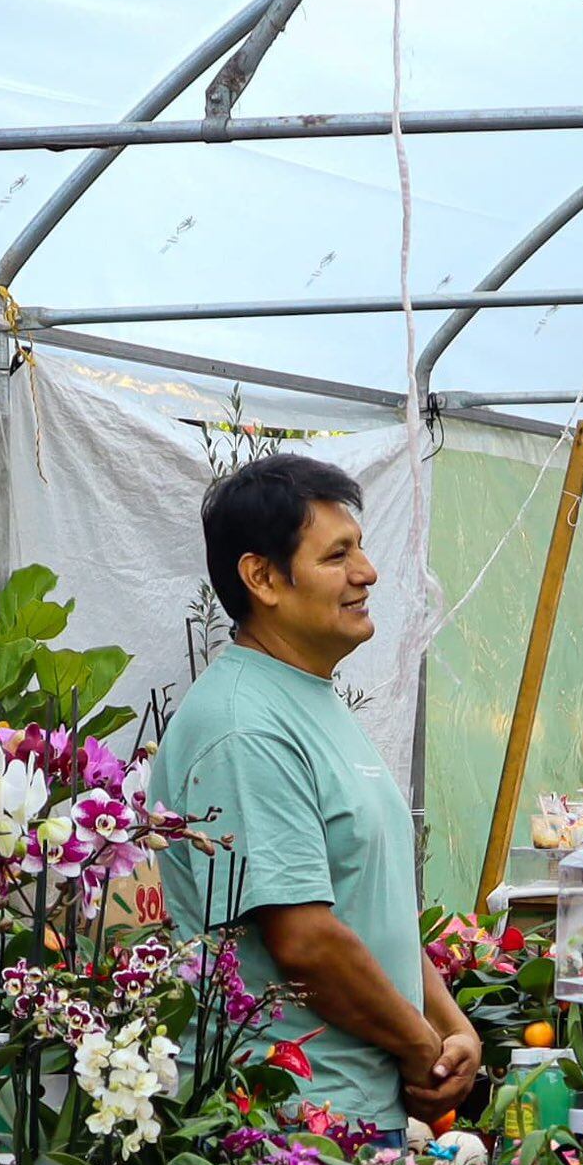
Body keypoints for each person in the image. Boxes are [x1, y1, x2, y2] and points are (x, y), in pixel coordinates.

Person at [141, 454, 480, 1129]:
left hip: (349, 1118)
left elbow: (360, 905)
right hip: (287, 1133)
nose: (367, 573)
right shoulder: (242, 723)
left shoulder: (309, 699)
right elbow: (304, 939)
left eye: (361, 548)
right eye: (337, 556)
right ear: (262, 577)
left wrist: (453, 1030)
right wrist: (421, 1049)